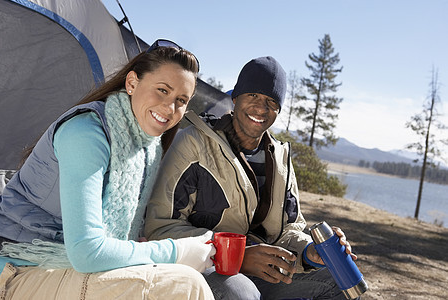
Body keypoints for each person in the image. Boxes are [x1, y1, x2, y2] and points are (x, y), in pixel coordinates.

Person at [0, 39, 216, 300]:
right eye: (162, 90)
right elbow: (87, 252)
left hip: (66, 267)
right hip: (17, 270)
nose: (170, 108)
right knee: (185, 285)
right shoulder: (85, 133)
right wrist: (176, 251)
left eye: (181, 100)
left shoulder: (147, 147)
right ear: (132, 83)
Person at [145, 56, 360, 299]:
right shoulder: (193, 144)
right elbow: (160, 227)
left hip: (263, 272)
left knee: (341, 279)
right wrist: (236, 254)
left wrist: (310, 252)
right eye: (253, 96)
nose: (261, 108)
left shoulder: (280, 159)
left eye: (271, 101)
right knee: (241, 292)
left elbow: (289, 229)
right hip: (205, 268)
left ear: (278, 110)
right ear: (235, 98)